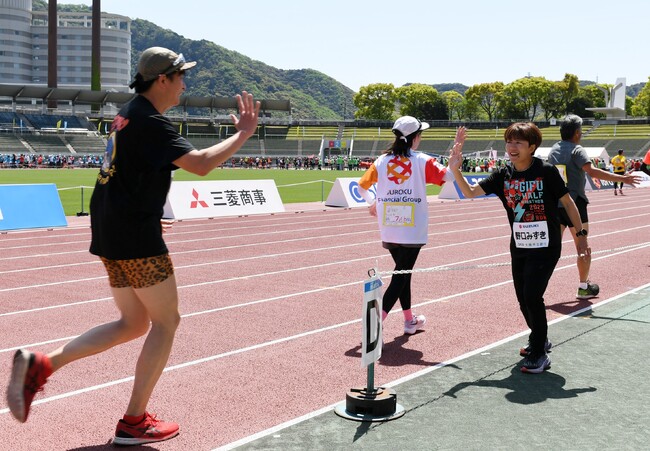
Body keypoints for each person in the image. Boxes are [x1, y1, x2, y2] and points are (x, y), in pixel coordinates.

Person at [6, 46, 260, 445]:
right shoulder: (151, 122)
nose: (184, 84)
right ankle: (133, 421)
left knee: (133, 322)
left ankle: (43, 364)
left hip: (111, 232)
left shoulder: (128, 114)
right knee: (166, 322)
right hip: (135, 237)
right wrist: (243, 132)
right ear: (163, 79)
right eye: (180, 77)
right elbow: (201, 163)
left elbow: (123, 173)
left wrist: (139, 210)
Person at [448, 122, 589, 374]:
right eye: (509, 142)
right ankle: (539, 337)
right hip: (520, 246)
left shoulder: (546, 171)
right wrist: (455, 170)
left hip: (546, 246)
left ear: (532, 147)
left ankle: (539, 354)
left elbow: (568, 203)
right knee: (523, 299)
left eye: (518, 143)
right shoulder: (503, 175)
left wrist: (581, 235)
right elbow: (469, 192)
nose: (512, 147)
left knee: (533, 295)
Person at [357, 116, 455, 336]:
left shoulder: (381, 161)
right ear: (415, 138)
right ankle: (374, 323)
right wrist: (454, 160)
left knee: (404, 274)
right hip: (412, 227)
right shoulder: (422, 160)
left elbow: (362, 186)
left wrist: (372, 202)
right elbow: (448, 176)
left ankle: (409, 321)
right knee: (401, 276)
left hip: (389, 225)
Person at [546, 115, 641, 300]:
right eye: (580, 131)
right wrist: (623, 178)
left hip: (556, 204)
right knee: (583, 246)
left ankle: (537, 286)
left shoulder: (554, 149)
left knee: (551, 249)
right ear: (576, 133)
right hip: (576, 204)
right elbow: (592, 171)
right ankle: (583, 287)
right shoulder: (577, 149)